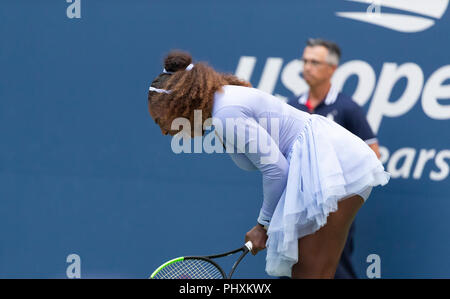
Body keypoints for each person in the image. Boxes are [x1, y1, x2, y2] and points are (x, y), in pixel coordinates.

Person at [147, 50, 390, 278]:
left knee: (310, 273)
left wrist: (262, 225)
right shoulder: (221, 106)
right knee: (309, 272)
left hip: (333, 164)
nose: (164, 131)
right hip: (323, 164)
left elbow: (276, 170)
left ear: (178, 104)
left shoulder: (226, 113)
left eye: (161, 120)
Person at [287, 38, 380, 278]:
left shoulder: (348, 108)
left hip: (334, 211)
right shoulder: (292, 106)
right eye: (305, 61)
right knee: (291, 269)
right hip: (297, 209)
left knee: (335, 271)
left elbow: (373, 156)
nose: (307, 67)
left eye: (315, 62)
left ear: (332, 69)